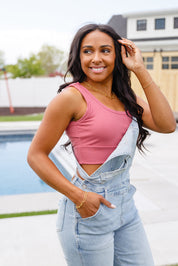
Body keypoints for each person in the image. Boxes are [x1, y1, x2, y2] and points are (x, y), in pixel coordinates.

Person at [27, 24, 176, 266]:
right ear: (78, 56)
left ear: (117, 55)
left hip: (126, 206)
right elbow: (36, 155)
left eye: (105, 50)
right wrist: (81, 198)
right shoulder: (70, 98)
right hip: (88, 212)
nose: (96, 58)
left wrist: (140, 69)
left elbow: (168, 125)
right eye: (88, 51)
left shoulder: (126, 97)